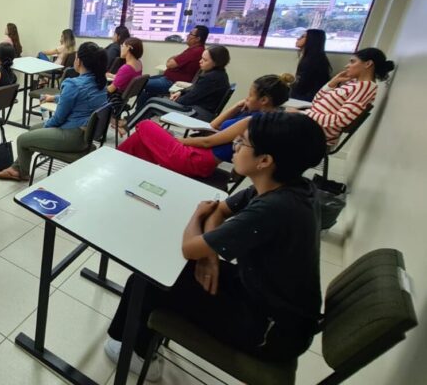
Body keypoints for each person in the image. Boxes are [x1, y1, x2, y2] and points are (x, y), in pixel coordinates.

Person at [104, 113, 326, 381]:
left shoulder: (274, 208)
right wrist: (208, 254)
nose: (234, 147)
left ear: (264, 161)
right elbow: (220, 210)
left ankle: (134, 352)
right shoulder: (287, 185)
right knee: (169, 270)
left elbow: (191, 244)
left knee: (147, 281)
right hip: (266, 296)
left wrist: (198, 217)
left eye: (241, 143)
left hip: (268, 331)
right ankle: (139, 339)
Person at [117, 74, 294, 179]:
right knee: (142, 139)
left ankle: (115, 162)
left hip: (195, 160)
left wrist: (178, 141)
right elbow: (213, 125)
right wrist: (235, 106)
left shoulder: (253, 122)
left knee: (147, 125)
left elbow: (208, 142)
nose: (246, 99)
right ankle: (123, 166)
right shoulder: (258, 116)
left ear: (264, 100)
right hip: (198, 158)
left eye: (249, 96)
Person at [0, 42, 109, 181]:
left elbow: (58, 119)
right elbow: (78, 98)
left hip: (74, 137)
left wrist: (46, 127)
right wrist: (54, 97)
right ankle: (16, 168)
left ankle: (21, 173)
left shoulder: (73, 84)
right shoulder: (100, 82)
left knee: (22, 139)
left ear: (80, 61)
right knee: (32, 129)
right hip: (86, 135)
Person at [296, 47, 393, 146]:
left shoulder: (366, 87)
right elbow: (316, 101)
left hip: (316, 133)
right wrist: (332, 83)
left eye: (352, 62)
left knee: (280, 121)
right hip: (309, 125)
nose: (347, 66)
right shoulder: (354, 83)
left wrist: (303, 114)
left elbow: (340, 120)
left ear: (368, 64)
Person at [122, 45, 230, 133]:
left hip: (196, 114)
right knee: (153, 101)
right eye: (201, 58)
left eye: (205, 60)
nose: (200, 61)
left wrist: (174, 100)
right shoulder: (218, 74)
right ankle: (134, 125)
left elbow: (189, 99)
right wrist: (180, 92)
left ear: (216, 62)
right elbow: (195, 89)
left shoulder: (212, 78)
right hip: (199, 110)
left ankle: (126, 127)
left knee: (152, 103)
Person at [137, 25, 208, 107]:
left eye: (191, 34)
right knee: (143, 81)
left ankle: (138, 114)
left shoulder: (195, 51)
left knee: (139, 84)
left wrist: (173, 58)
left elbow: (169, 64)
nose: (188, 36)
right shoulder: (194, 50)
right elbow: (172, 61)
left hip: (172, 83)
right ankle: (141, 113)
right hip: (168, 78)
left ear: (198, 39)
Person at [291, 29, 332, 102]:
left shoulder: (314, 61)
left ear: (312, 40)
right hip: (306, 96)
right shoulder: (312, 58)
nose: (298, 38)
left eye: (303, 36)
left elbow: (302, 87)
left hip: (307, 99)